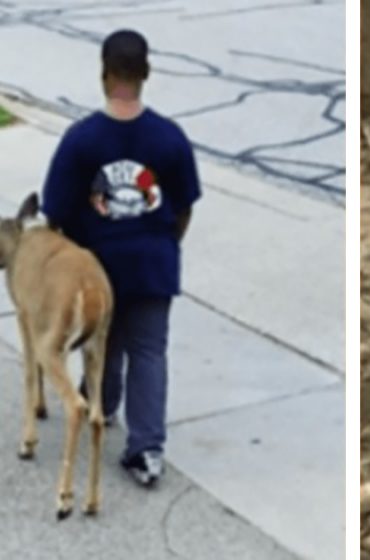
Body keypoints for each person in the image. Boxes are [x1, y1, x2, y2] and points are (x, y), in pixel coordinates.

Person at [41, 29, 201, 487]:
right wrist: (166, 243)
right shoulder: (170, 138)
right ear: (147, 74)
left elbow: (56, 212)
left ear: (103, 74)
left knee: (101, 342)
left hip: (99, 266)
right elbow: (184, 206)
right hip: (154, 260)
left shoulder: (81, 140)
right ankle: (147, 450)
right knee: (149, 351)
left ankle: (101, 406)